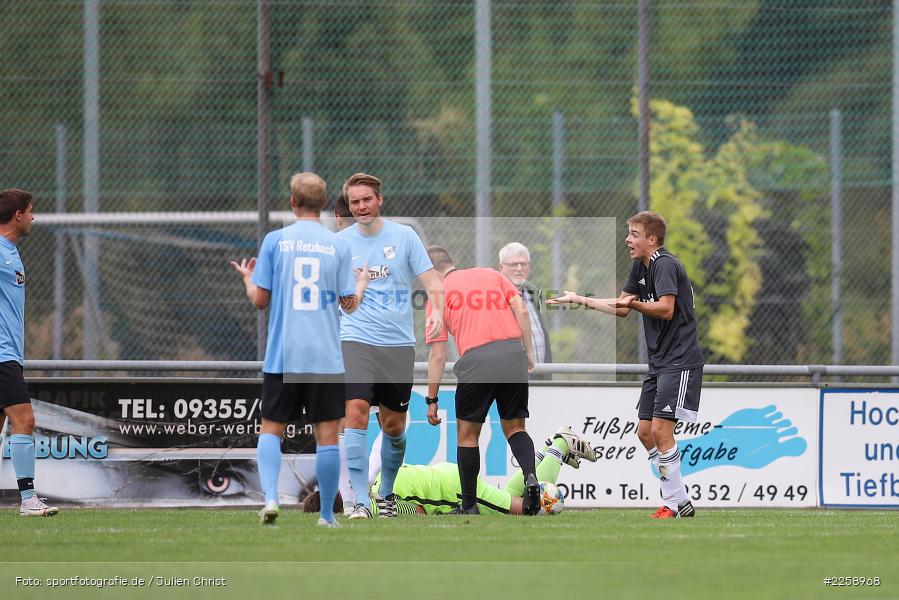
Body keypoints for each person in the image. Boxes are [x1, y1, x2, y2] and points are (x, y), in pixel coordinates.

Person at [230, 172, 368, 527]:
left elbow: (260, 300)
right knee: (327, 438)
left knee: (271, 429)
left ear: (292, 202)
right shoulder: (338, 245)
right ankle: (326, 515)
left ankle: (271, 498)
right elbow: (349, 305)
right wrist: (361, 284)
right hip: (325, 359)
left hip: (283, 355)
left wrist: (248, 280)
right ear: (323, 204)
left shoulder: (275, 241)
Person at [547, 211, 704, 519]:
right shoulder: (639, 266)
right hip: (659, 362)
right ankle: (680, 497)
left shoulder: (664, 264)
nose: (627, 240)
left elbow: (666, 308)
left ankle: (673, 503)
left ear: (652, 239)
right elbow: (621, 307)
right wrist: (579, 299)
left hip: (680, 359)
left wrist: (635, 304)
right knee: (645, 432)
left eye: (634, 234)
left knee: (660, 430)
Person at [338, 172, 444, 519]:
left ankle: (385, 493)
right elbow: (342, 301)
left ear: (379, 200)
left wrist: (437, 312)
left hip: (397, 346)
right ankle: (359, 500)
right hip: (355, 339)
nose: (361, 207)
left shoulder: (405, 236)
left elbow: (433, 282)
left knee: (394, 426)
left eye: (366, 199)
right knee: (355, 411)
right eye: (354, 202)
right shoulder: (341, 244)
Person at [424, 245, 542, 515]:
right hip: (512, 354)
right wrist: (528, 353)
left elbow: (438, 354)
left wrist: (432, 398)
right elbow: (522, 310)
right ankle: (530, 477)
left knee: (467, 435)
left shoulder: (437, 295)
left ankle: (468, 505)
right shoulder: (491, 274)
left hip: (476, 361)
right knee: (515, 427)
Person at [302, 426, 596, 516]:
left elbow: (416, 512)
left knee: (530, 509)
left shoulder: (373, 507)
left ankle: (560, 446)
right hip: (445, 476)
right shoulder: (373, 486)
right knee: (508, 495)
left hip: (452, 488)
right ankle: (546, 451)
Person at [0, 189, 58, 517]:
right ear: (17, 215)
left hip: (10, 353)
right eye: (30, 210)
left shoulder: (10, 251)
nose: (33, 216)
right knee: (25, 419)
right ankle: (28, 499)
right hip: (1, 355)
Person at [498, 242, 552, 378]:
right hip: (512, 376)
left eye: (523, 264)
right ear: (501, 267)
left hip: (539, 373)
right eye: (513, 264)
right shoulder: (495, 295)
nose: (519, 268)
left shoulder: (533, 291)